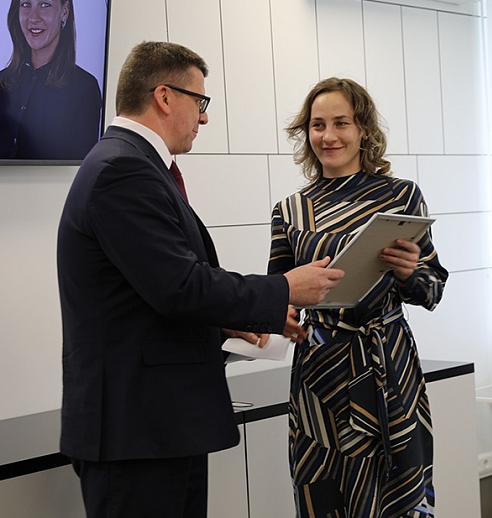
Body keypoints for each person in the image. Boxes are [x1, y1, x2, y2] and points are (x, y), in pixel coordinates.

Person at [56, 41, 345, 518]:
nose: (204, 117)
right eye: (200, 101)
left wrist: (228, 323)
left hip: (159, 429)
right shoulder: (122, 169)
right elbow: (181, 287)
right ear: (165, 97)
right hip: (138, 433)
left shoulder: (133, 164)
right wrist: (285, 288)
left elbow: (154, 292)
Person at [268, 78, 449, 518]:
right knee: (324, 491)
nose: (328, 136)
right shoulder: (289, 210)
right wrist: (282, 315)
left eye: (341, 123)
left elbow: (433, 288)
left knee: (397, 494)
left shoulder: (400, 196)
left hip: (388, 361)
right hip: (320, 373)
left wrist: (409, 273)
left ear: (363, 129)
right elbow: (277, 290)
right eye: (317, 125)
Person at [0, 0, 101, 160]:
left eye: (44, 4)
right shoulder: (2, 82)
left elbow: (80, 171)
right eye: (26, 4)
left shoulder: (84, 88)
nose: (33, 17)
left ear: (64, 11)